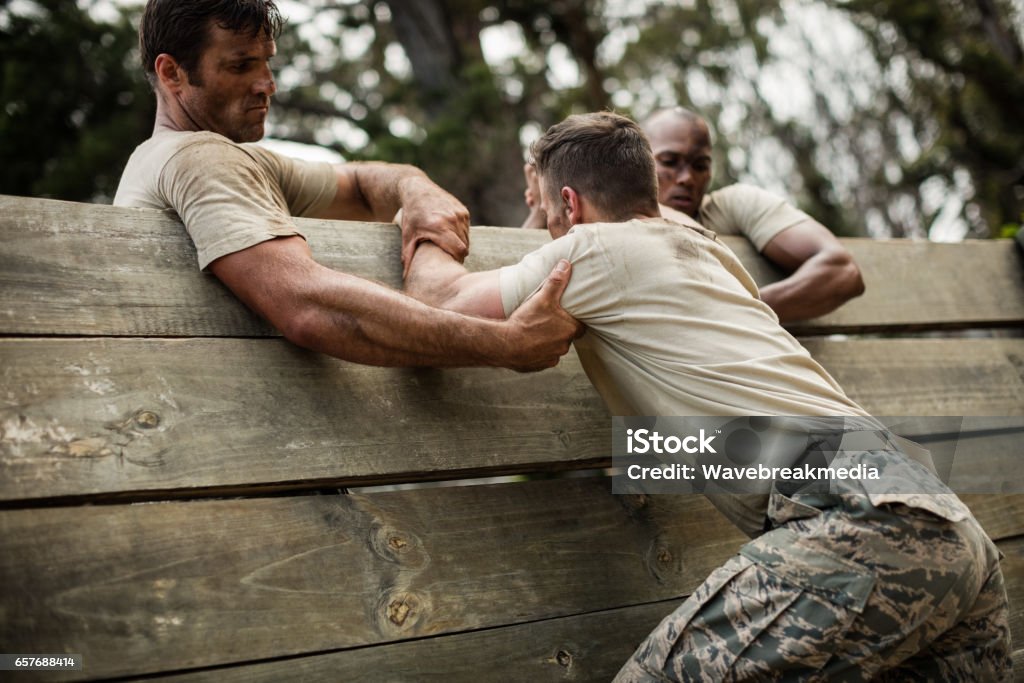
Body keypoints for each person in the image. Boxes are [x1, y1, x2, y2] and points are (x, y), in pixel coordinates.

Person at [404, 112, 1010, 680]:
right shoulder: (711, 254)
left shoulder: (591, 248)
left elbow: (441, 303)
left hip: (860, 523)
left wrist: (421, 222)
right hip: (945, 521)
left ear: (569, 203)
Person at [114, 0, 580, 371]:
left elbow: (358, 184)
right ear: (171, 72)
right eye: (240, 67)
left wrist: (415, 189)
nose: (267, 85)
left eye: (267, 63)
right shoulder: (198, 158)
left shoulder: (213, 159)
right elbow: (308, 306)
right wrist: (506, 343)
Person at [522, 106, 865, 323]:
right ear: (638, 162)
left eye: (700, 165)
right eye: (669, 162)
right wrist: (542, 212)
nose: (687, 178)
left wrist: (733, 311)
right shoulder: (601, 223)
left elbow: (842, 271)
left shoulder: (733, 204)